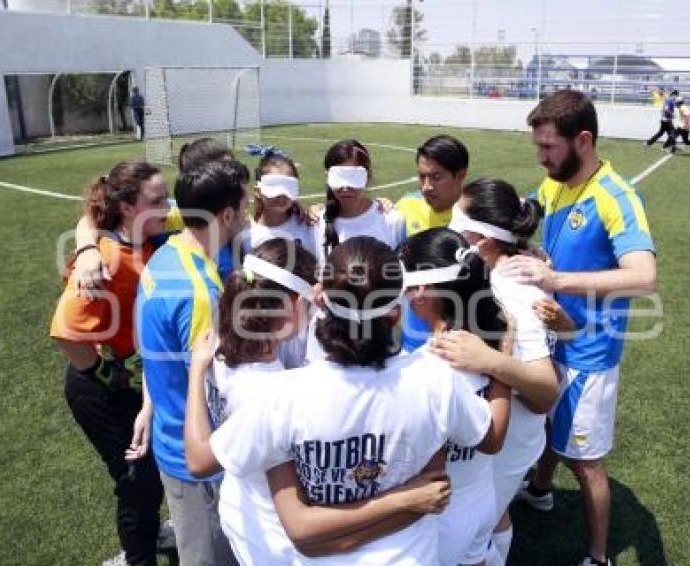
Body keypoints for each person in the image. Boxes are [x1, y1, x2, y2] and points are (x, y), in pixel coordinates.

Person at [190, 236, 507, 564]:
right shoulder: (437, 381)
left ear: (322, 302)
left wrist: (333, 542)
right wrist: (500, 359)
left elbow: (300, 528)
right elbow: (484, 444)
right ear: (395, 314)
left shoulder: (280, 397)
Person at [503, 89, 657, 566]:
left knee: (587, 462)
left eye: (548, 147)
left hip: (590, 350)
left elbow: (643, 276)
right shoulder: (557, 182)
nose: (541, 156)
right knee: (550, 421)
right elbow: (525, 213)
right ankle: (541, 489)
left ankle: (598, 556)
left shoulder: (616, 197)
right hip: (555, 333)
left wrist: (555, 277)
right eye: (539, 147)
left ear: (583, 140)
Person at [431, 178, 562, 564]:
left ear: (483, 239)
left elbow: (545, 392)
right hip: (497, 433)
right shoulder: (510, 272)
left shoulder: (517, 290)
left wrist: (490, 361)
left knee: (479, 522)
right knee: (491, 511)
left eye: (460, 218)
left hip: (509, 439)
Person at [50, 161, 170, 566]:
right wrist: (112, 375)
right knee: (138, 479)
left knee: (154, 471)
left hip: (130, 378)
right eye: (158, 200)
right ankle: (138, 558)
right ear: (129, 208)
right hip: (97, 385)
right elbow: (67, 334)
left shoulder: (149, 234)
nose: (167, 205)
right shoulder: (104, 259)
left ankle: (150, 537)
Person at [135, 159, 250, 566]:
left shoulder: (167, 254)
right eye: (245, 204)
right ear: (227, 214)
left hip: (172, 439)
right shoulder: (201, 291)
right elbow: (212, 390)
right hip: (198, 461)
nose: (249, 212)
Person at [399, 227, 513, 566]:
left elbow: (493, 437)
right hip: (481, 496)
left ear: (422, 289)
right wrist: (503, 362)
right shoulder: (490, 338)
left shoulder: (424, 369)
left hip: (442, 517)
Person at [72, 138, 237, 300]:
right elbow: (91, 218)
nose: (236, 181)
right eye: (228, 176)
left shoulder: (228, 214)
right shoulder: (181, 217)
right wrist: (86, 249)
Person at [389, 134, 469, 352]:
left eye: (436, 177)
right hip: (412, 342)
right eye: (422, 176)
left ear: (460, 175)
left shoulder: (475, 218)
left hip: (461, 341)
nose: (426, 187)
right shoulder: (406, 206)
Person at [314, 140, 402, 266]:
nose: (345, 187)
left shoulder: (391, 220)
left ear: (368, 176)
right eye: (339, 178)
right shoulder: (316, 222)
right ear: (327, 177)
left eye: (354, 177)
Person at [240, 152, 317, 256]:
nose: (281, 195)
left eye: (288, 187)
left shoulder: (309, 224)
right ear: (258, 191)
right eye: (274, 187)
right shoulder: (245, 235)